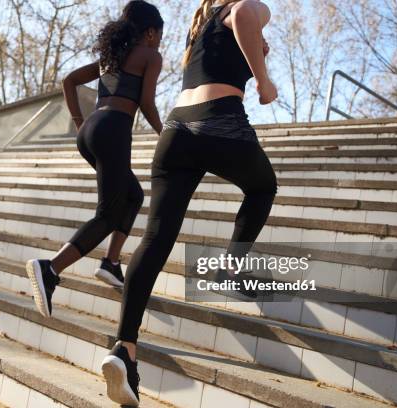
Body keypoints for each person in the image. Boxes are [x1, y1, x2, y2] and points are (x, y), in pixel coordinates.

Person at [100, 0, 278, 405]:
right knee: (263, 187)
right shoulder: (244, 6)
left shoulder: (203, 24)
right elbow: (250, 13)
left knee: (155, 239)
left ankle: (124, 348)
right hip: (219, 119)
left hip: (177, 127)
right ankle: (229, 272)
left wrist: (257, 48)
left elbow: (239, 33)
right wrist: (264, 82)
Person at [25, 0, 164, 320]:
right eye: (159, 35)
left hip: (90, 132)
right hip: (114, 130)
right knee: (107, 214)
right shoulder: (150, 55)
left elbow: (69, 80)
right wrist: (165, 134)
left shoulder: (110, 57)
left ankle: (111, 262)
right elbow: (146, 103)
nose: (159, 42)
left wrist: (79, 123)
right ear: (150, 32)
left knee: (133, 195)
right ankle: (50, 268)